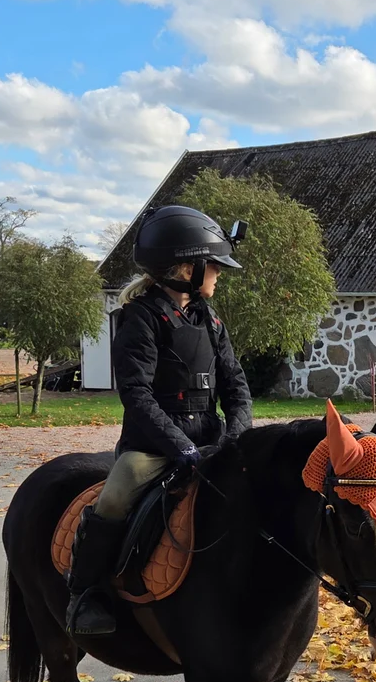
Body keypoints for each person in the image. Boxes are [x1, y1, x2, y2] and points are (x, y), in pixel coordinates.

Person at [65, 204, 253, 637]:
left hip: (212, 439)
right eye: (214, 267)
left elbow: (236, 385)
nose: (218, 275)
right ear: (186, 267)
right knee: (114, 498)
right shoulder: (141, 319)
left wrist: (238, 435)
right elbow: (136, 395)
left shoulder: (210, 320)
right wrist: (181, 448)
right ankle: (86, 592)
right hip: (151, 449)